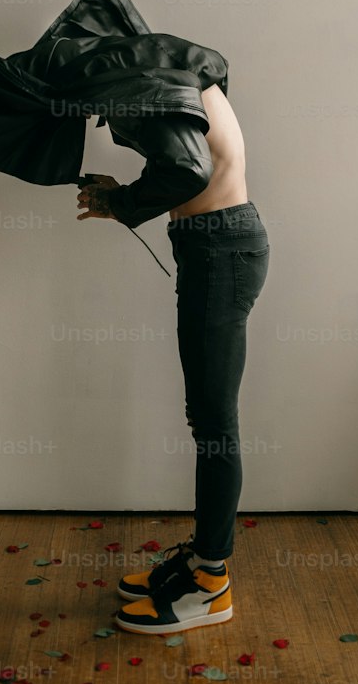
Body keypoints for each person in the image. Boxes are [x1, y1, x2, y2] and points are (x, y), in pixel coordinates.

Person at [77, 80, 270, 635]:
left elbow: (189, 173)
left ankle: (211, 583)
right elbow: (191, 163)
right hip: (217, 243)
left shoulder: (164, 83)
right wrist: (125, 196)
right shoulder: (194, 79)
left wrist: (120, 202)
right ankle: (202, 560)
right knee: (208, 419)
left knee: (213, 422)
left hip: (218, 251)